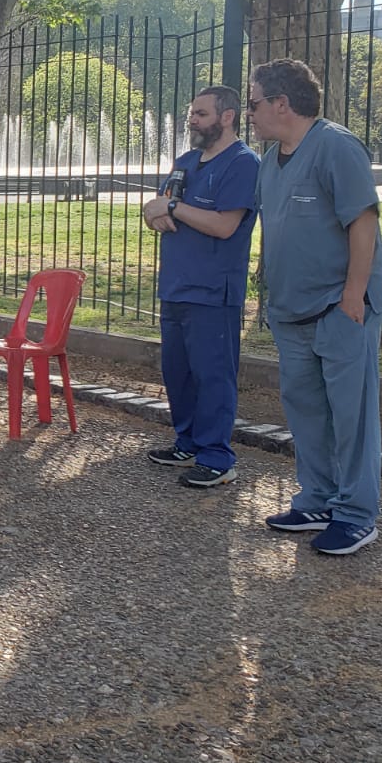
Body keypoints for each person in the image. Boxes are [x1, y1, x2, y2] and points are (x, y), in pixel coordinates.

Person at [250, 58, 382, 556]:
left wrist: (354, 295)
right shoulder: (270, 160)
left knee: (352, 416)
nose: (250, 113)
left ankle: (356, 515)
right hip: (292, 312)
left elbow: (363, 222)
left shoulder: (336, 147)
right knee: (307, 411)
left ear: (281, 104)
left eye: (254, 103)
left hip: (341, 309)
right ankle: (317, 499)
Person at [141, 87, 259, 488]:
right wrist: (158, 211)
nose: (192, 120)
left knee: (213, 376)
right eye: (192, 113)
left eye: (201, 114)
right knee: (178, 372)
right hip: (175, 285)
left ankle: (217, 457)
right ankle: (187, 442)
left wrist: (174, 208)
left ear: (227, 117)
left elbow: (224, 225)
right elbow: (154, 208)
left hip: (212, 291)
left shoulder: (242, 163)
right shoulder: (186, 162)